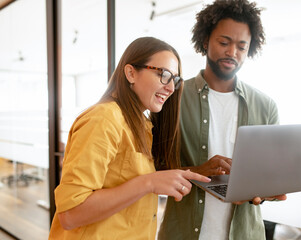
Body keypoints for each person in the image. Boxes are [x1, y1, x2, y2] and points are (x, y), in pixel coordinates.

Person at [48, 37, 210, 240]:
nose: (170, 88)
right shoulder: (103, 119)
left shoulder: (141, 125)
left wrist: (195, 173)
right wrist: (148, 183)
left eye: (175, 80)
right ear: (131, 73)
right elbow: (71, 214)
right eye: (164, 75)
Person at [158, 1, 287, 239]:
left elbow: (268, 174)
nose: (232, 53)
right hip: (184, 232)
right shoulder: (171, 97)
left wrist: (263, 192)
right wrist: (196, 172)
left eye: (241, 46)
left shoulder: (266, 106)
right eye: (224, 42)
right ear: (206, 40)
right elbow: (150, 168)